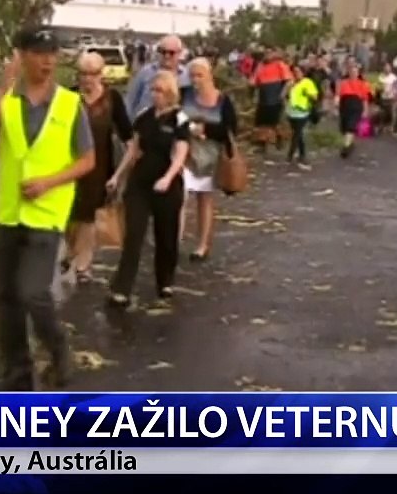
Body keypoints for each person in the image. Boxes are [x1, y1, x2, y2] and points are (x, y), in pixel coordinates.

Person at [0, 27, 96, 391]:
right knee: (8, 299)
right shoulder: (8, 99)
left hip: (46, 215)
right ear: (21, 55)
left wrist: (49, 182)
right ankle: (17, 376)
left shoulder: (69, 104)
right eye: (40, 53)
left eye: (53, 53)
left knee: (33, 292)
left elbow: (87, 160)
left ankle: (59, 350)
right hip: (7, 213)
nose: (48, 60)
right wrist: (1, 87)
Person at [107, 70, 190, 307]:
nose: (155, 95)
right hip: (140, 183)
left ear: (170, 93)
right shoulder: (144, 117)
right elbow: (133, 150)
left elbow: (180, 154)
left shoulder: (179, 119)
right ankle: (121, 287)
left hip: (166, 185)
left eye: (160, 91)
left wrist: (168, 177)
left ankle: (165, 280)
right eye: (153, 90)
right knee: (133, 234)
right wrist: (117, 175)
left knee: (166, 235)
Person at [63, 51, 133, 284]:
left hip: (100, 167)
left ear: (101, 74)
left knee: (89, 217)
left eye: (92, 73)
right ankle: (71, 251)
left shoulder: (113, 98)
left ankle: (84, 266)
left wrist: (120, 173)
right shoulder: (68, 96)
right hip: (70, 166)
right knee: (69, 216)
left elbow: (129, 139)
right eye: (83, 73)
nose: (87, 79)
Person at [180, 58, 238, 261]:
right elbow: (175, 116)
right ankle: (174, 241)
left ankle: (202, 246)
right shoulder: (184, 94)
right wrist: (188, 127)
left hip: (211, 156)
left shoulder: (222, 100)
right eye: (192, 75)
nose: (195, 80)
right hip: (185, 153)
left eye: (199, 75)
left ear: (209, 75)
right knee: (180, 198)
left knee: (204, 199)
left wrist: (206, 129)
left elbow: (230, 130)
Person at [124, 34, 189, 120]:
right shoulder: (145, 72)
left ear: (179, 53)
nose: (167, 56)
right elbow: (130, 100)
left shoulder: (187, 76)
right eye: (163, 52)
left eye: (171, 53)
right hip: (144, 126)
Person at [250, 47, 292, 150]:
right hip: (263, 97)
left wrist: (282, 94)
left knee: (275, 122)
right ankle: (262, 144)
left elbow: (289, 81)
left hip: (275, 97)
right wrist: (252, 86)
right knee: (261, 122)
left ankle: (280, 138)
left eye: (269, 52)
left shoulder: (279, 64)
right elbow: (253, 81)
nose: (267, 54)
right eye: (266, 52)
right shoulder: (261, 66)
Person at [284, 65, 320, 166]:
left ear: (302, 72)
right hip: (291, 112)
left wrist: (307, 94)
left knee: (296, 133)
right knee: (298, 134)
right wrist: (287, 88)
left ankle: (290, 155)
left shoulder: (307, 83)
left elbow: (315, 97)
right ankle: (302, 154)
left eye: (298, 71)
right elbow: (283, 96)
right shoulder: (290, 83)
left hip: (303, 112)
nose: (296, 74)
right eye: (294, 72)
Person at [336, 61, 373, 159]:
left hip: (356, 106)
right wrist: (336, 104)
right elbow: (338, 95)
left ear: (358, 73)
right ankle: (350, 143)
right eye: (352, 72)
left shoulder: (363, 84)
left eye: (355, 72)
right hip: (344, 106)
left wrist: (365, 110)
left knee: (350, 127)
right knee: (344, 128)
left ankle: (346, 147)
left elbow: (365, 99)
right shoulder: (343, 83)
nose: (353, 74)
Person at [374, 62, 397, 135]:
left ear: (390, 68)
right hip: (383, 97)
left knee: (392, 113)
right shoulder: (381, 77)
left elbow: (395, 87)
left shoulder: (393, 77)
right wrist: (380, 89)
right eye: (385, 67)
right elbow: (378, 86)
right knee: (382, 113)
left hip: (391, 97)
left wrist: (394, 93)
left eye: (388, 67)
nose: (387, 69)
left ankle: (392, 128)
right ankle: (381, 127)